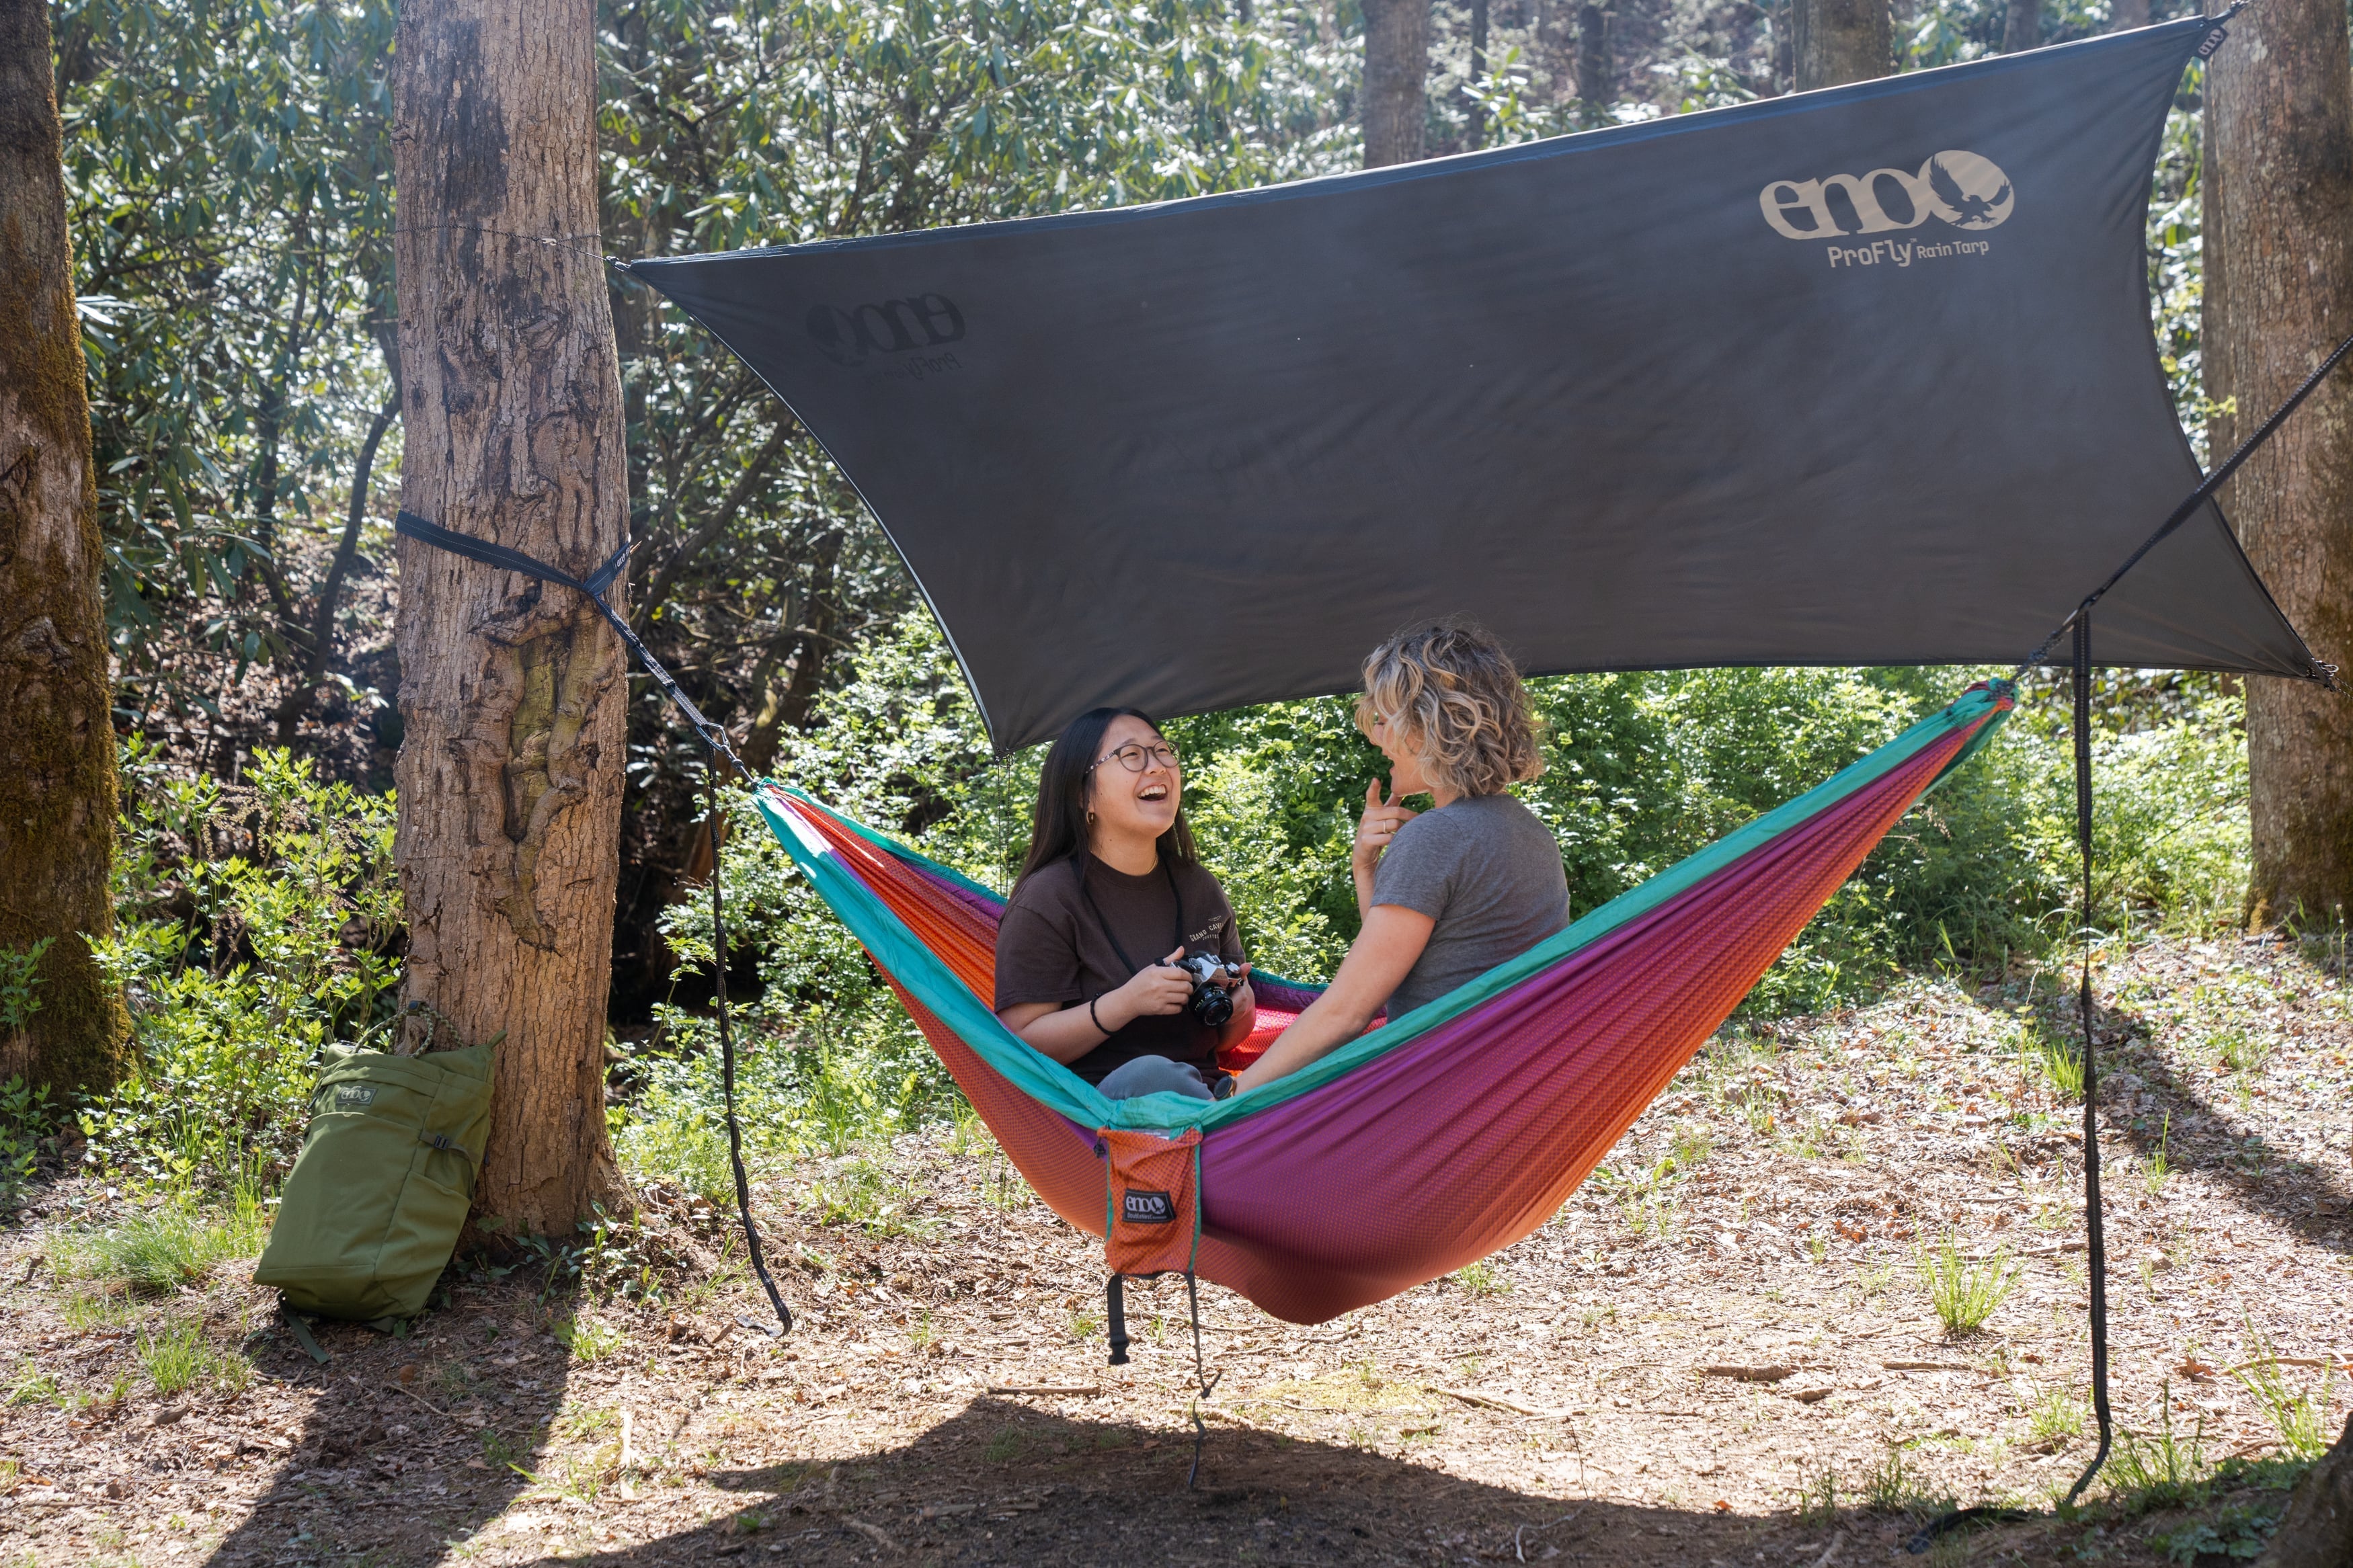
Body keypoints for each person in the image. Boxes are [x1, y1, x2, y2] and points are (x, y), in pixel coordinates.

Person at [1233, 619, 1568, 1092]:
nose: (1377, 738)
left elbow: (1348, 1012)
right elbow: (1400, 973)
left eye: (1386, 720)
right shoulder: (1532, 834)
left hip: (1430, 1100)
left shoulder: (1437, 836)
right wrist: (1365, 867)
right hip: (1511, 1093)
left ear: (1431, 726)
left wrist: (1225, 1103)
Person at [994, 706, 1255, 1100]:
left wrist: (1239, 1006)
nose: (1157, 767)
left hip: (1207, 1099)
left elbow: (1223, 1041)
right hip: (1099, 1120)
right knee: (1155, 1077)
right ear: (1083, 795)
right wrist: (1126, 1003)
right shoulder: (1048, 899)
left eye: (1163, 751)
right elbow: (1022, 1046)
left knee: (1324, 1052)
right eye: (1132, 756)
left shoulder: (1199, 886)